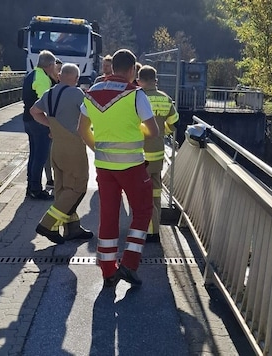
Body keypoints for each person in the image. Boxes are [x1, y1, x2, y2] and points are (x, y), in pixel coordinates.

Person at [78, 49, 159, 287]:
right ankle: (129, 264)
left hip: (104, 166)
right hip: (132, 166)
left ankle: (108, 271)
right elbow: (153, 131)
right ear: (133, 70)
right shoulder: (135, 95)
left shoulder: (91, 93)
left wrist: (99, 149)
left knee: (108, 216)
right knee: (143, 211)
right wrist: (135, 132)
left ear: (112, 68)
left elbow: (82, 130)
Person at [30, 63, 93, 244]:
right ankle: (47, 223)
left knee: (63, 187)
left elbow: (34, 111)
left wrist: (52, 126)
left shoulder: (49, 93)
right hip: (73, 146)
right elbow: (90, 114)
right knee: (77, 187)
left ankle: (72, 227)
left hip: (56, 147)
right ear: (75, 78)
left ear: (59, 76)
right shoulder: (76, 93)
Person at [137, 65, 179, 243]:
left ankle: (146, 229)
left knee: (141, 192)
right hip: (158, 151)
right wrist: (163, 132)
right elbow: (174, 123)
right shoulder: (165, 99)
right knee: (155, 190)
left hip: (139, 152)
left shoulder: (137, 98)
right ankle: (154, 227)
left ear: (139, 80)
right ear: (156, 80)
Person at [22, 50, 58, 200]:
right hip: (38, 121)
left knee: (34, 155)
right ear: (49, 65)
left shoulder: (31, 75)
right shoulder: (42, 78)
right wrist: (52, 124)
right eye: (55, 65)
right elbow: (46, 102)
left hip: (28, 120)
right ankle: (36, 189)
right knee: (41, 156)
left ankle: (31, 186)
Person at [43, 58, 63, 189]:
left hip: (59, 123)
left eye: (60, 70)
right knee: (48, 153)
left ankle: (57, 178)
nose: (59, 72)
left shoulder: (62, 83)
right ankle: (50, 179)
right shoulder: (48, 82)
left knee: (57, 152)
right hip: (50, 122)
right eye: (57, 69)